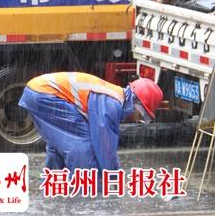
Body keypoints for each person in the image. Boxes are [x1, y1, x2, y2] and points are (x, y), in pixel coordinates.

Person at [18, 72, 163, 173]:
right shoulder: (111, 104)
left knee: (59, 145)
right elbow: (104, 147)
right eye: (142, 114)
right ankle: (86, 194)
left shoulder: (112, 96)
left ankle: (54, 182)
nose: (138, 119)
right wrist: (113, 178)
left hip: (36, 92)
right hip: (46, 94)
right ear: (135, 102)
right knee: (83, 146)